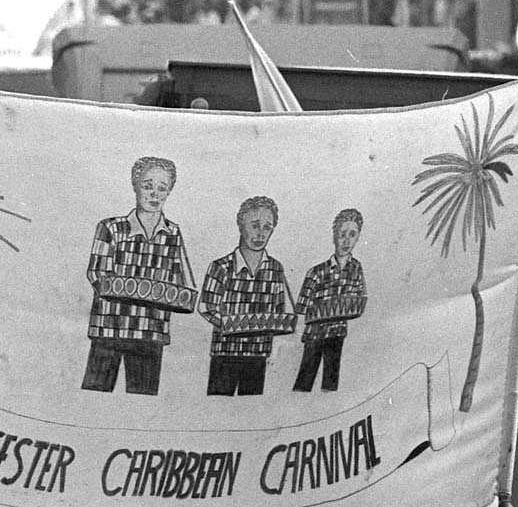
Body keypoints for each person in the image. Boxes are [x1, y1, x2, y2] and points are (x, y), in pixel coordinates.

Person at [81, 157, 194, 397]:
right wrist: (137, 290)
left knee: (143, 399)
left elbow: (182, 282)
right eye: (147, 185)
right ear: (135, 185)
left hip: (150, 332)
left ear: (169, 192)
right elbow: (97, 272)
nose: (154, 194)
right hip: (109, 328)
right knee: (94, 395)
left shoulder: (173, 233)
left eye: (162, 188)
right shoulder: (111, 227)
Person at [200, 195, 295, 397]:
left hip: (258, 353)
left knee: (251, 408)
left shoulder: (275, 268)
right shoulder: (221, 267)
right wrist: (233, 325)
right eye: (255, 226)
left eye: (267, 227)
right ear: (241, 226)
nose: (261, 233)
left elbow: (278, 311)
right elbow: (206, 306)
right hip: (225, 352)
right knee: (216, 405)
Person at [291, 208, 369, 393]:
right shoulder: (317, 272)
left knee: (331, 381)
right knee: (306, 379)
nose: (346, 240)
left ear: (358, 237)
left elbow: (360, 296)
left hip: (337, 332)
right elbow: (300, 306)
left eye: (352, 235)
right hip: (315, 334)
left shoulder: (356, 268)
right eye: (342, 234)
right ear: (334, 236)